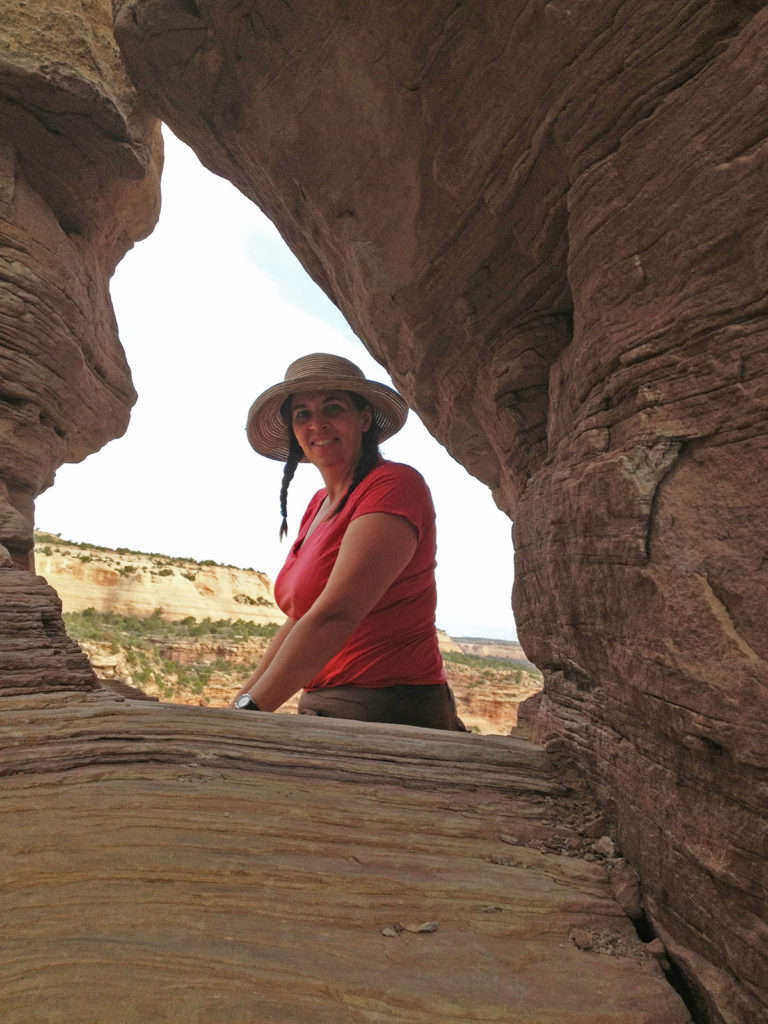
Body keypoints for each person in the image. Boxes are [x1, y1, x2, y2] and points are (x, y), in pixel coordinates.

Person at [229, 352, 465, 730]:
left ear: (364, 419)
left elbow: (337, 614)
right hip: (329, 708)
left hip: (391, 711)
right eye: (302, 414)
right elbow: (300, 620)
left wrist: (247, 717)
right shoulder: (318, 505)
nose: (317, 424)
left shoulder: (394, 486)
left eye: (332, 408)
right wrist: (240, 706)